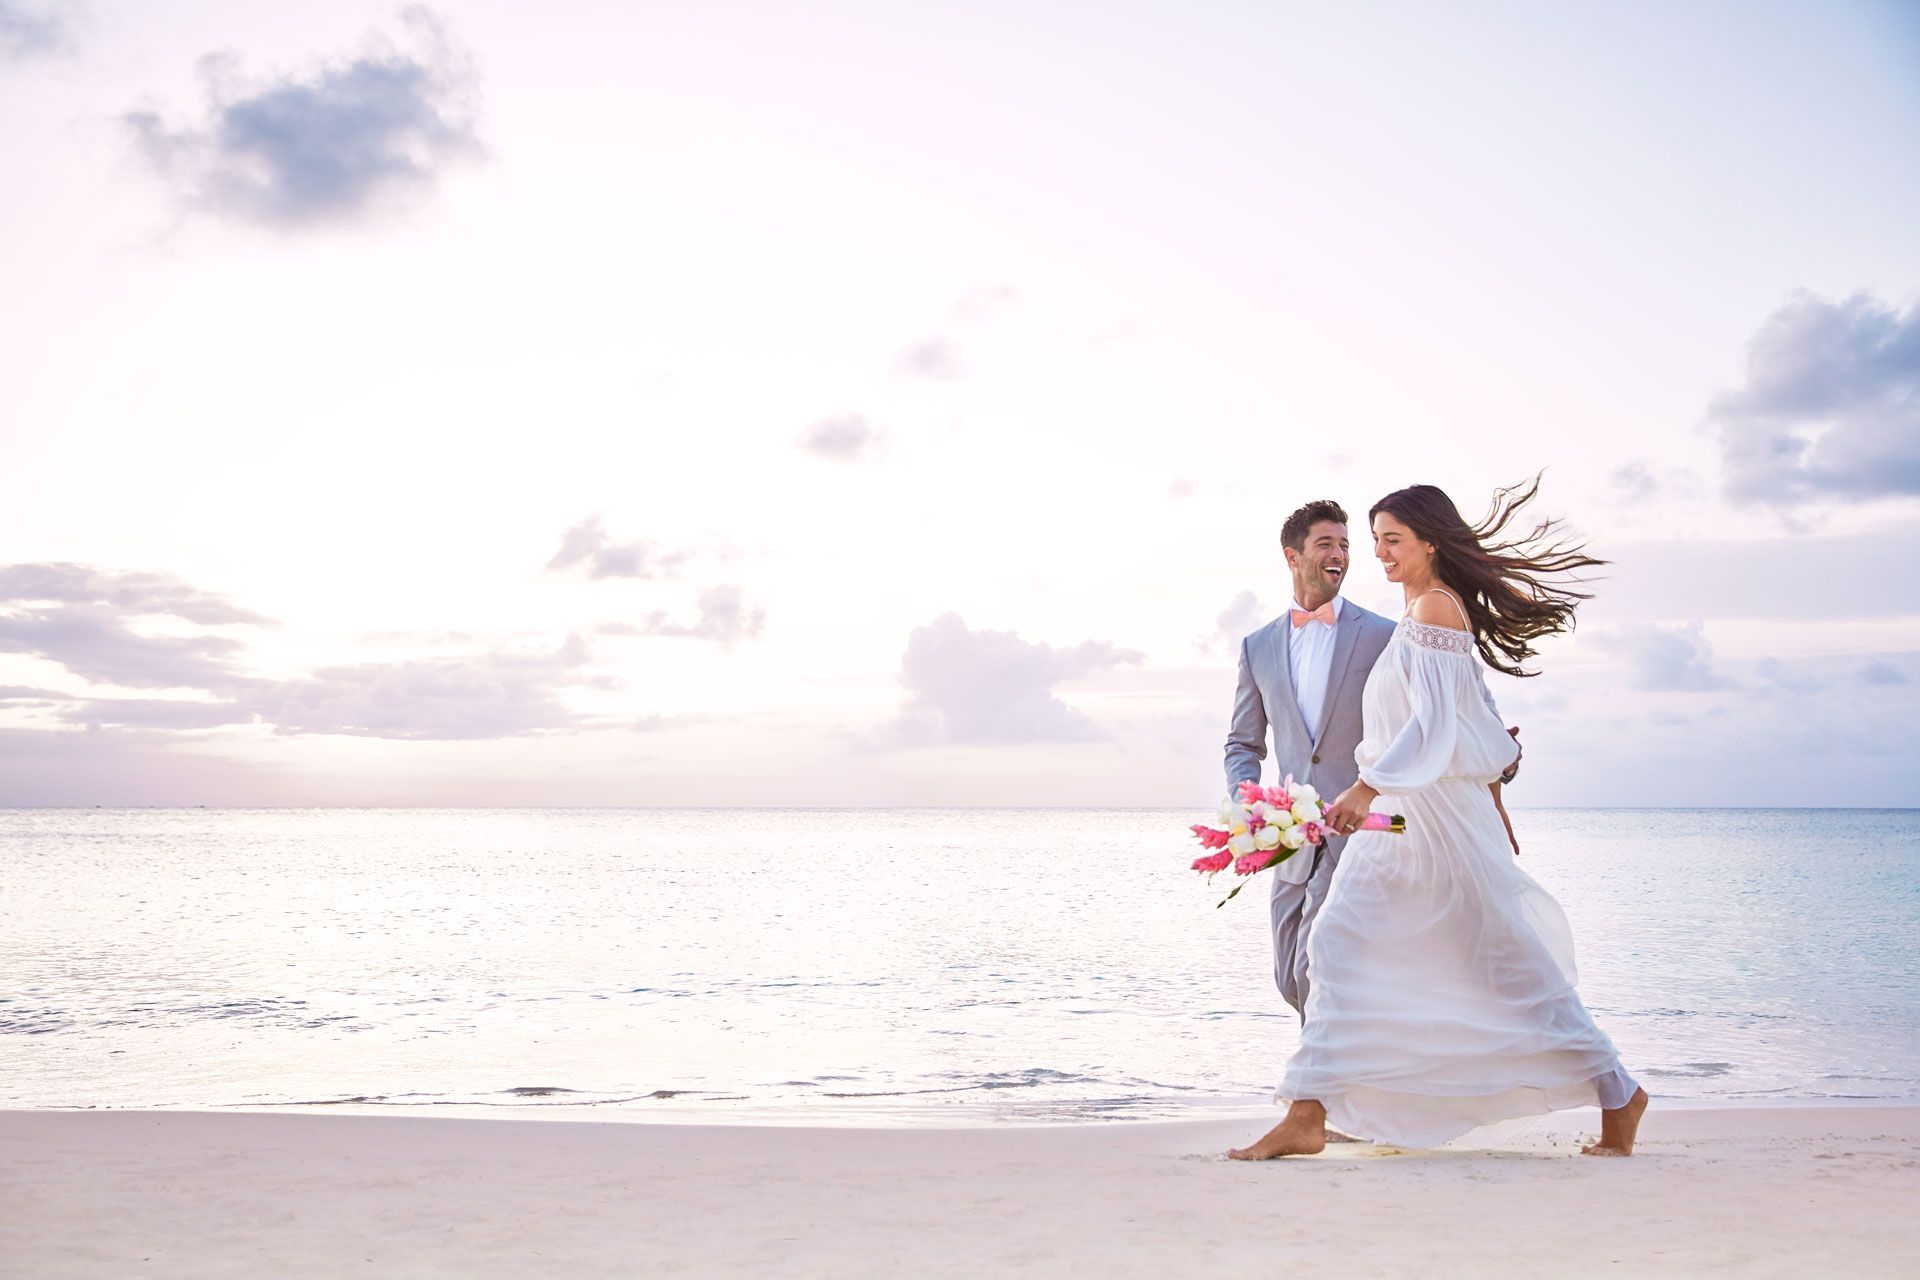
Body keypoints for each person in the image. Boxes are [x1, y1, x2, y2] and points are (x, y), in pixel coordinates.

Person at [1229, 479, 1648, 1160]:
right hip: (1409, 820)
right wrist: (1496, 788)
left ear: (1429, 541)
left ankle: (1618, 1093)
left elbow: (1438, 725)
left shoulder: (1432, 610)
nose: (1381, 554)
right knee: (1342, 946)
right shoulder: (1426, 612)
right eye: (1377, 543)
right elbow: (1478, 718)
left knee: (1502, 960)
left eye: (1393, 540)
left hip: (1423, 820)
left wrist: (1366, 787)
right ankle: (1310, 1110)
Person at [1224, 500, 1395, 1018]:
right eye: (1326, 544)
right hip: (1289, 838)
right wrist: (1247, 804)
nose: (1340, 554)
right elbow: (1243, 743)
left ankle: (1318, 1092)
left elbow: (1417, 722)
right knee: (1289, 978)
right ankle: (1340, 1080)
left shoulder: (1385, 635)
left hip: (1363, 834)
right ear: (1292, 556)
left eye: (1345, 545)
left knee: (1318, 968)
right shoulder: (1258, 647)